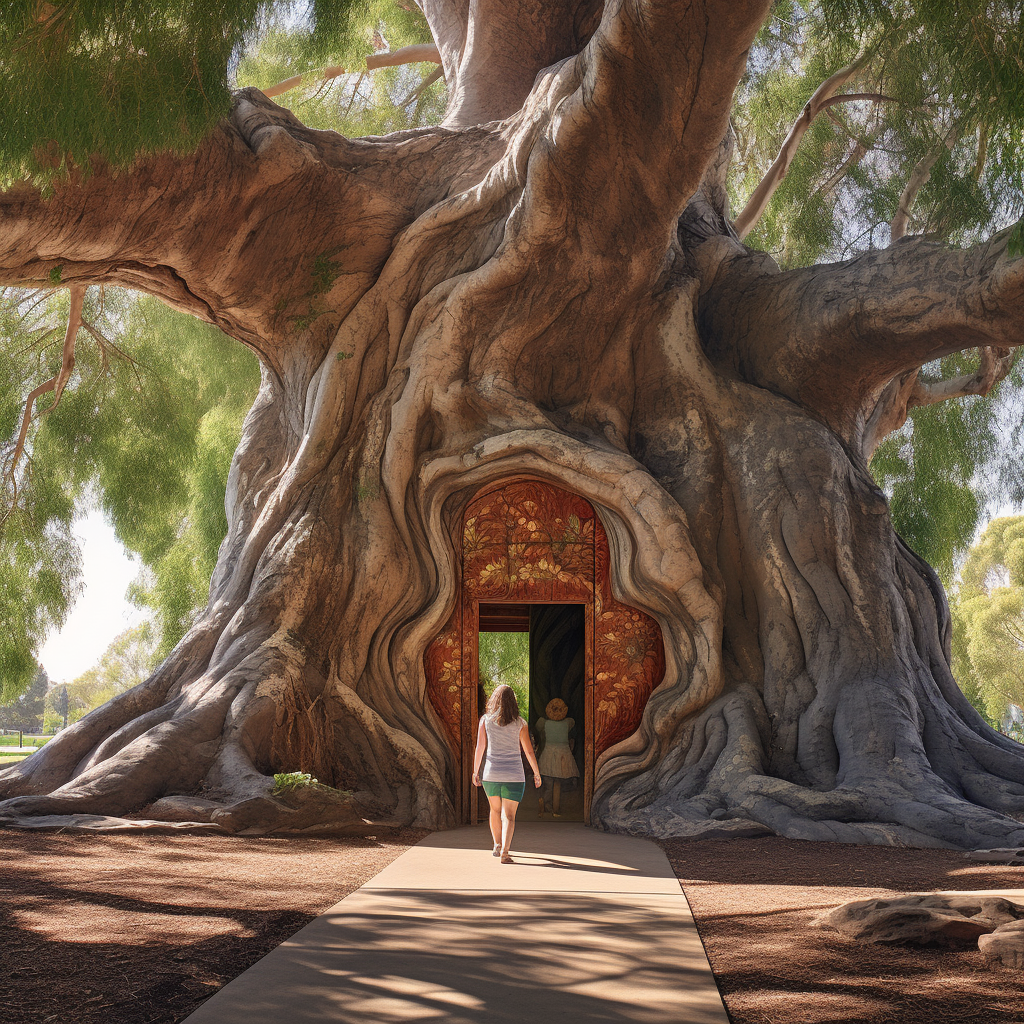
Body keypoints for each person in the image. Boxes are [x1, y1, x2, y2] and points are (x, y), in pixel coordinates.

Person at [472, 684, 541, 863]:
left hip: (491, 774)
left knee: (494, 810)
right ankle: (505, 852)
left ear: (494, 700)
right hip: (514, 775)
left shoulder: (485, 720)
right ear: (513, 702)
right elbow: (529, 751)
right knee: (509, 816)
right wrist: (536, 773)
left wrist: (475, 771)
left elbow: (480, 747)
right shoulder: (520, 723)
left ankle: (496, 844)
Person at [535, 697, 579, 817]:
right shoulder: (568, 722)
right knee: (559, 782)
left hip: (549, 755)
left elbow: (538, 730)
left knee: (549, 784)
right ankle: (555, 808)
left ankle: (547, 804)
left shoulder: (544, 723)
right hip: (563, 756)